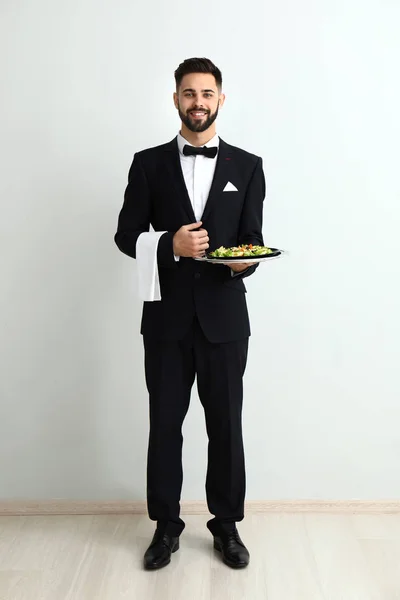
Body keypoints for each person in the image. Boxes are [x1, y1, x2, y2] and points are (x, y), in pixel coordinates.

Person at [114, 57, 265, 570]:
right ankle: (165, 527)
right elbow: (124, 236)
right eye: (188, 93)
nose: (197, 101)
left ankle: (226, 527)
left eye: (207, 93)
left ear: (220, 99)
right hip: (166, 322)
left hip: (225, 323)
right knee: (165, 426)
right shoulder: (147, 163)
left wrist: (246, 263)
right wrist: (169, 244)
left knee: (226, 426)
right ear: (175, 99)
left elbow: (253, 240)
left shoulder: (247, 166)